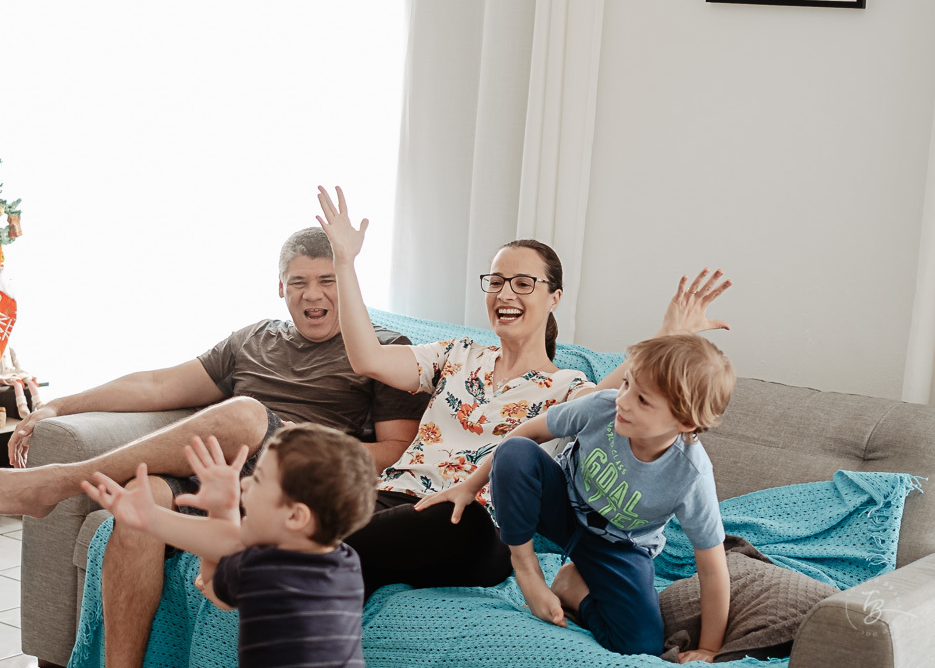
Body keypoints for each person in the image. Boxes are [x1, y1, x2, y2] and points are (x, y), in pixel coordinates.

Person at [0, 227, 428, 666]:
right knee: (141, 503)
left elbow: (395, 451)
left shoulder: (384, 350)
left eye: (327, 280)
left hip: (288, 482)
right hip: (220, 480)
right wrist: (59, 406)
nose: (313, 294)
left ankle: (53, 483)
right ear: (280, 286)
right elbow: (157, 386)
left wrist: (289, 444)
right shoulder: (253, 340)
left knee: (245, 413)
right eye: (298, 281)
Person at [314, 186, 732, 657]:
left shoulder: (572, 389)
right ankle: (314, 577)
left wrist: (672, 330)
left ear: (555, 297)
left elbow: (638, 388)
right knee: (322, 503)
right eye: (495, 281)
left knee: (453, 518)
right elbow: (367, 358)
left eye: (523, 282)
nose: (505, 292)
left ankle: (289, 561)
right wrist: (344, 263)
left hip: (470, 525)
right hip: (395, 495)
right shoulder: (455, 354)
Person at [420, 334, 735, 660]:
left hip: (618, 547)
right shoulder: (602, 407)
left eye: (642, 400)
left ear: (684, 422)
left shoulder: (691, 475)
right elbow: (527, 434)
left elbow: (712, 568)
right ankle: (526, 567)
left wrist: (709, 648)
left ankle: (573, 588)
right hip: (560, 507)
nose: (623, 401)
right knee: (516, 453)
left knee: (642, 643)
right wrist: (469, 486)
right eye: (627, 384)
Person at [82, 427, 378, 668]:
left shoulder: (259, 567)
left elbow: (214, 584)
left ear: (295, 516)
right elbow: (228, 541)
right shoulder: (346, 561)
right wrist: (223, 511)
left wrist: (209, 510)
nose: (246, 484)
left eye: (259, 479)